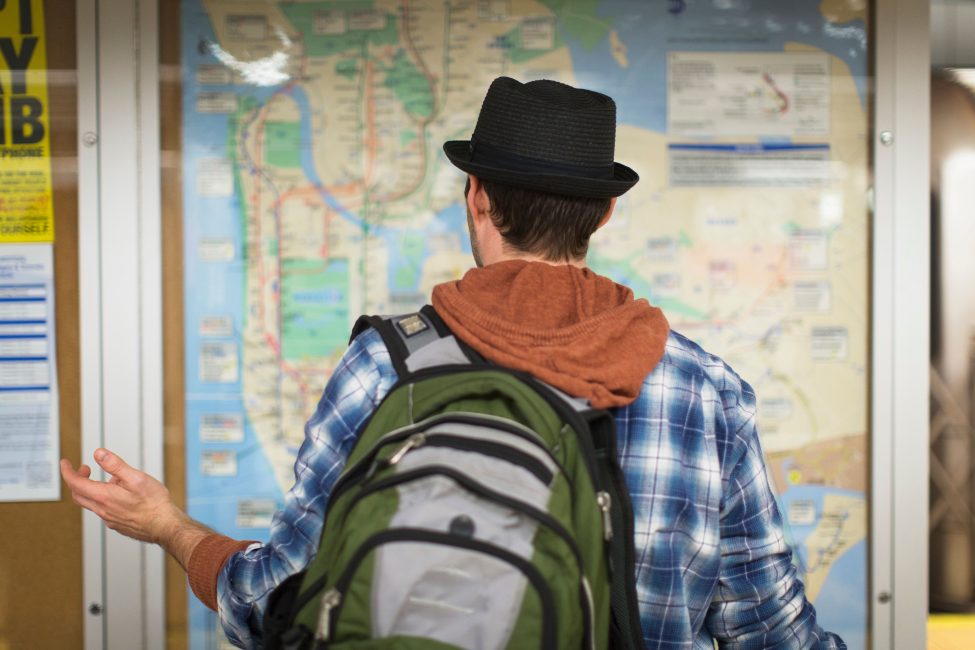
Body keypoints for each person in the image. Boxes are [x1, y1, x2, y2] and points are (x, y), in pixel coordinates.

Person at [62, 76, 845, 649]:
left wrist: (168, 527)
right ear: (604, 213)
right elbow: (769, 631)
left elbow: (277, 603)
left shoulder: (386, 367)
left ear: (474, 196)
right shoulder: (703, 391)